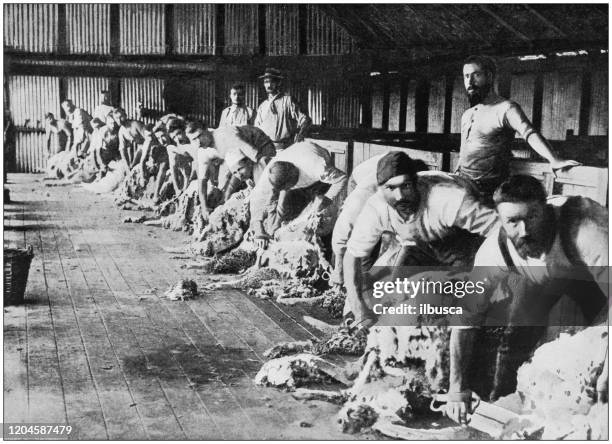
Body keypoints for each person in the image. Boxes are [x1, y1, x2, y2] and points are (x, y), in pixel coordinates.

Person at [445, 175, 608, 425]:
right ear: (500, 221)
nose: (525, 231)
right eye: (512, 222)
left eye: (532, 217)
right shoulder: (493, 251)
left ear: (547, 211)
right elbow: (465, 321)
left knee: (592, 356)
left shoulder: (587, 231)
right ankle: (504, 409)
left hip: (588, 276)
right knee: (515, 335)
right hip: (538, 278)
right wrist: (457, 390)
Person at [343, 151, 500, 329]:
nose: (400, 196)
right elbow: (352, 256)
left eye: (406, 186)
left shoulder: (448, 199)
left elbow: (501, 232)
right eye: (391, 188)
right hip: (417, 242)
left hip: (462, 238)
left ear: (417, 183)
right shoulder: (375, 208)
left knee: (454, 308)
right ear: (381, 189)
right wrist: (359, 310)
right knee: (393, 296)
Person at [457, 55, 580, 200]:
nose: (469, 82)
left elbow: (529, 133)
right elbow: (464, 150)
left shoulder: (506, 108)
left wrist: (553, 159)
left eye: (476, 75)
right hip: (462, 186)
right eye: (466, 76)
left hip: (489, 190)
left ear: (489, 77)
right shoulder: (467, 114)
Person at [167, 122, 276, 221]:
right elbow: (202, 182)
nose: (198, 142)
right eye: (193, 140)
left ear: (207, 130)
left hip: (260, 146)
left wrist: (257, 181)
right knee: (226, 194)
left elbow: (255, 157)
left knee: (261, 183)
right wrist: (204, 207)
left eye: (199, 136)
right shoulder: (202, 151)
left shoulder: (226, 135)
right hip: (239, 161)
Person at [249, 140, 347, 249]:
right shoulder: (271, 171)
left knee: (317, 220)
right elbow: (257, 201)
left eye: (287, 188)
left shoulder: (316, 167)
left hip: (315, 166)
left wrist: (326, 199)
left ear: (293, 180)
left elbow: (342, 178)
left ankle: (323, 249)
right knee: (290, 220)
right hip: (296, 163)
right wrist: (259, 231)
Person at [254, 68, 311, 151]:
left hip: (284, 149)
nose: (269, 85)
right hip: (265, 149)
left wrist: (301, 134)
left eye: (272, 81)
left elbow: (306, 120)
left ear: (278, 83)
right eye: (266, 82)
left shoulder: (288, 101)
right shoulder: (262, 106)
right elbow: (256, 130)